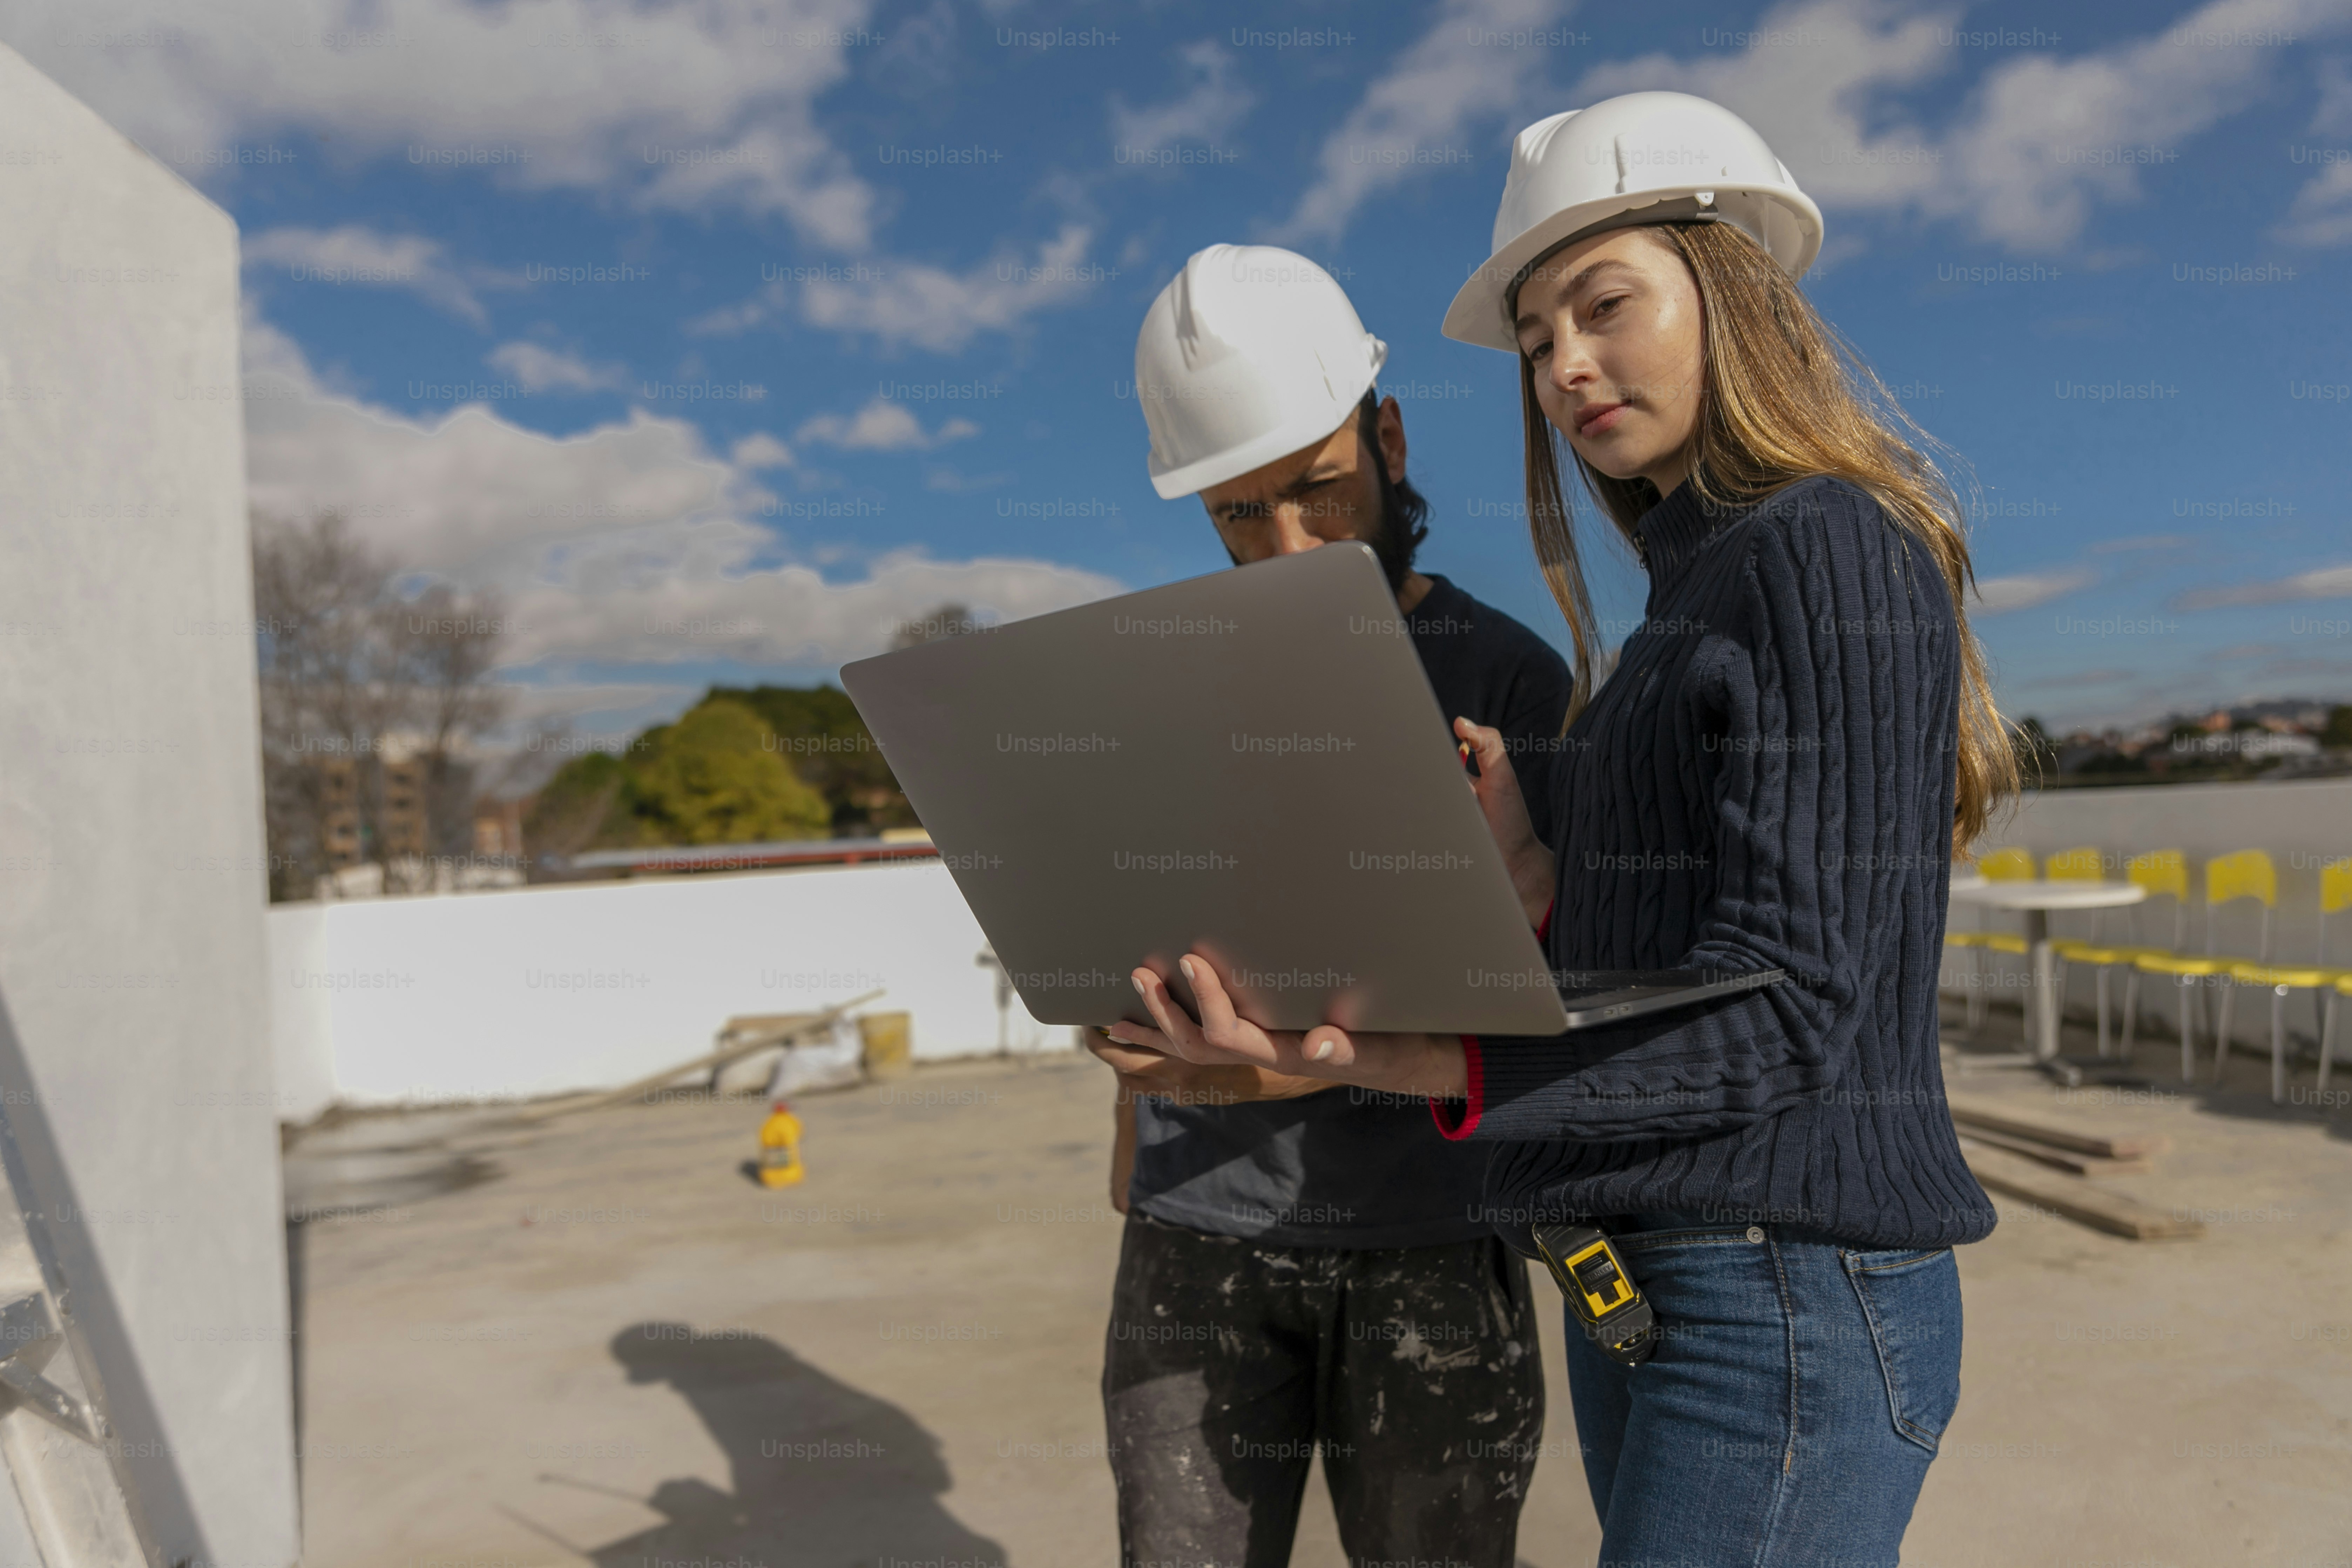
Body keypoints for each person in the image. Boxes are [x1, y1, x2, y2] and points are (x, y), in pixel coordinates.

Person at [1104, 93, 2018, 1567]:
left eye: (1606, 305)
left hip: (1777, 1283)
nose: (1566, 366)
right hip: (1657, 1274)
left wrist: (1402, 1053)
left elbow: (1787, 1012)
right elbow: (1672, 947)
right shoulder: (1690, 599)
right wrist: (1537, 876)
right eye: (1536, 340)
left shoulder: (1823, 546)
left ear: (1734, 293)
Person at [1087, 243, 1573, 1568]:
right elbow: (1124, 919)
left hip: (1430, 1236)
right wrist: (1128, 1087)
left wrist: (1273, 1078)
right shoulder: (1161, 678)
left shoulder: (1512, 683)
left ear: (1390, 435)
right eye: (1240, 515)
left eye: (1316, 490)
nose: (1288, 544)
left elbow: (1542, 1008)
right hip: (1197, 1241)